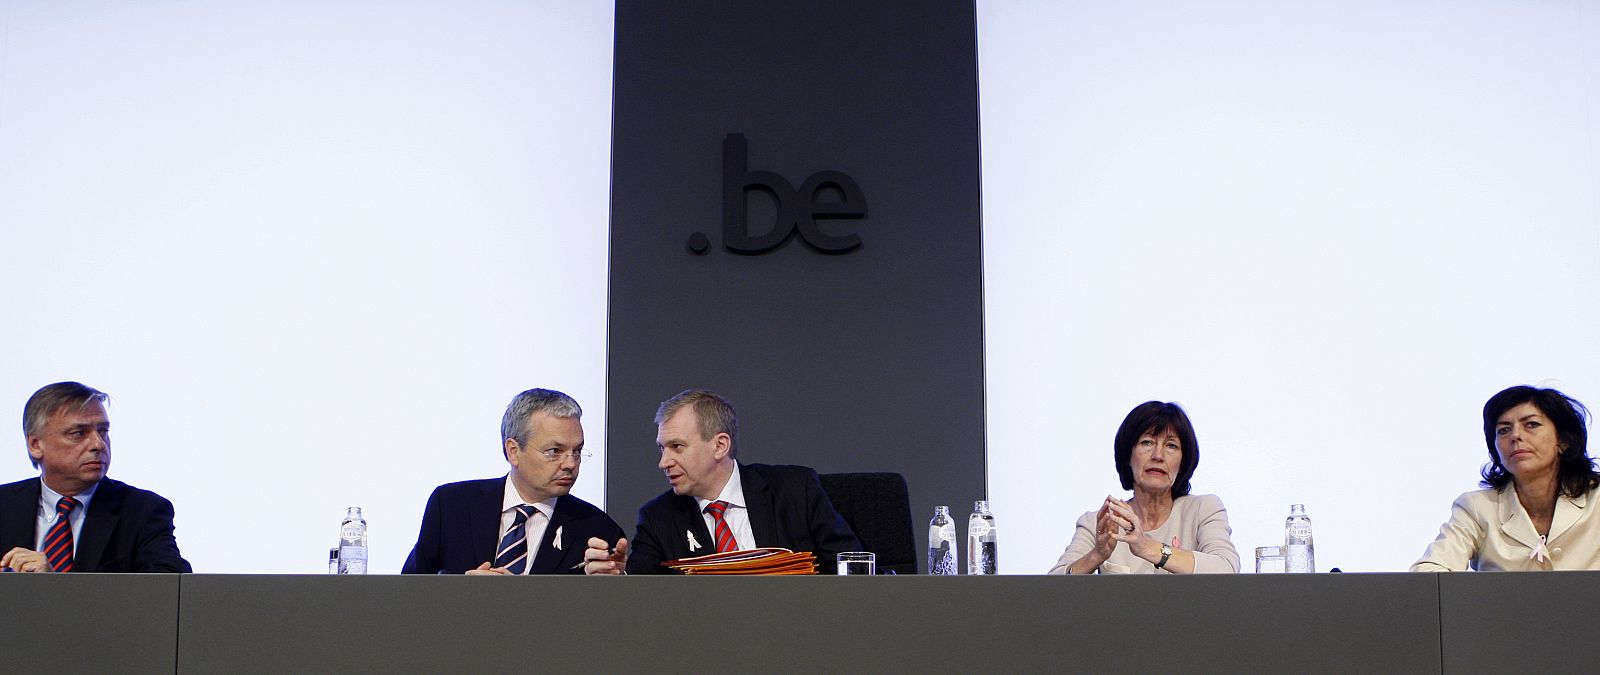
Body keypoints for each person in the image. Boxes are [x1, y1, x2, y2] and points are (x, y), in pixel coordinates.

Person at [583, 389, 860, 575]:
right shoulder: (659, 518)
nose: (664, 462)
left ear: (720, 446)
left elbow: (853, 570)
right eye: (662, 448)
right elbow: (644, 600)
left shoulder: (795, 490)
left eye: (677, 447)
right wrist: (621, 578)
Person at [402, 388, 624, 575]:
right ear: (513, 451)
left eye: (577, 451)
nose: (570, 463)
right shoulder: (451, 505)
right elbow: (409, 592)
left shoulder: (598, 531)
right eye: (555, 451)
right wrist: (461, 593)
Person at [0, 382, 191, 573]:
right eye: (78, 433)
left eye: (103, 431)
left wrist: (55, 586)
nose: (98, 444)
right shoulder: (5, 505)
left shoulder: (142, 511)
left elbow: (169, 587)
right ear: (35, 445)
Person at [1412, 385, 1600, 571]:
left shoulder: (1596, 499)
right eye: (1503, 430)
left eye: (1531, 425)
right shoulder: (1477, 508)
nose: (1515, 436)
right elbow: (1428, 573)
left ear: (1564, 441)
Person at [1048, 401, 1239, 574]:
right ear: (1127, 456)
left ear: (1183, 462)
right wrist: (1097, 554)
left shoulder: (1203, 509)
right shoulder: (1100, 522)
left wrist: (1147, 547)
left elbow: (1227, 568)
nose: (1158, 455)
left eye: (1171, 446)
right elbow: (1050, 590)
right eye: (1147, 442)